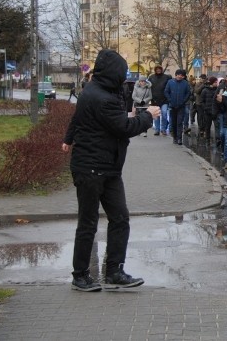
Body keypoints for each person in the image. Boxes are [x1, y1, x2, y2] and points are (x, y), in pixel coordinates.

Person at [62, 49, 160, 292]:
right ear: (113, 73)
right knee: (88, 223)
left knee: (120, 218)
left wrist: (68, 138)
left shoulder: (97, 92)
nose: (123, 77)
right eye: (121, 72)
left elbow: (79, 119)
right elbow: (123, 128)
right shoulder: (100, 97)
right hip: (91, 167)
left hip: (109, 167)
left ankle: (114, 270)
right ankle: (80, 275)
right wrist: (149, 117)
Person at [164, 69, 192, 146]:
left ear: (183, 76)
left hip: (181, 106)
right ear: (176, 75)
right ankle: (175, 137)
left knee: (179, 122)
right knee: (173, 122)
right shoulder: (170, 82)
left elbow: (188, 93)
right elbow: (166, 91)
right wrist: (170, 100)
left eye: (181, 75)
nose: (179, 76)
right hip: (172, 106)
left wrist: (183, 101)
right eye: (178, 74)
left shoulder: (185, 83)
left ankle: (179, 138)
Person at [148, 65, 171, 137]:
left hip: (164, 99)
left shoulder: (166, 77)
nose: (158, 70)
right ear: (155, 70)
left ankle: (163, 129)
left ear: (161, 70)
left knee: (164, 113)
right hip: (154, 99)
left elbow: (169, 88)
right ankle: (157, 130)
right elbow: (148, 88)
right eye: (157, 69)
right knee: (156, 115)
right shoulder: (151, 77)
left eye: (159, 69)